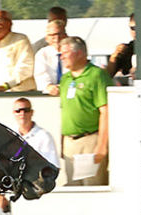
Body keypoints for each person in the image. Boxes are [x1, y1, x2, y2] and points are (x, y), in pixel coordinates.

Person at [59, 36, 109, 186]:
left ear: (80, 53)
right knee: (74, 190)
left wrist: (101, 145)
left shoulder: (97, 75)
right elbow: (66, 112)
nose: (62, 57)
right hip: (70, 143)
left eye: (65, 52)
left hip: (90, 141)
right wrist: (62, 143)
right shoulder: (65, 79)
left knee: (92, 187)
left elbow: (105, 111)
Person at [11, 98, 59, 167]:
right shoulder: (10, 135)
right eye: (18, 111)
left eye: (26, 110)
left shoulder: (44, 137)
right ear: (13, 113)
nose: (22, 114)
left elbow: (53, 166)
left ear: (32, 112)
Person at [35, 20, 67, 95]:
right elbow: (40, 76)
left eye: (59, 34)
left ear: (65, 35)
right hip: (49, 94)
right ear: (46, 38)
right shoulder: (42, 54)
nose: (56, 38)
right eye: (52, 35)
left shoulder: (72, 52)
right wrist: (49, 86)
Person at [106, 13, 136, 79]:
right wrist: (114, 56)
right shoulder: (127, 49)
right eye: (132, 28)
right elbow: (106, 77)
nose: (135, 31)